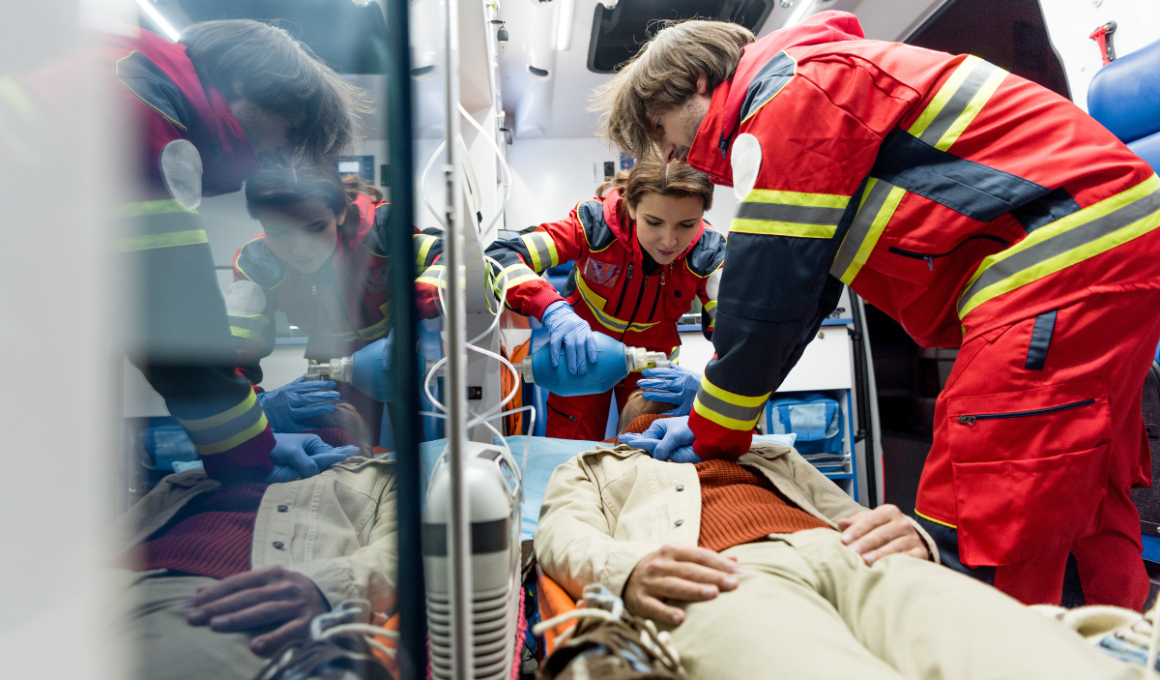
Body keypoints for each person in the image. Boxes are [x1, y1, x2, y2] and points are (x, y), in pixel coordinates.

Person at [593, 10, 1160, 608]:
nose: (667, 152)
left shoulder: (789, 95)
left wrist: (713, 429)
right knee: (1079, 480)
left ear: (698, 83)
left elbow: (766, 294)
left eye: (659, 128)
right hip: (1104, 237)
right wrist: (716, 419)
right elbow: (803, 293)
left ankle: (975, 623)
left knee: (985, 484)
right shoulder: (817, 80)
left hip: (1063, 251)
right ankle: (1110, 639)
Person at [535, 430, 1138, 680]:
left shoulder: (765, 452)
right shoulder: (594, 465)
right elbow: (559, 535)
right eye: (645, 409)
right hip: (717, 574)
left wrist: (912, 534)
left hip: (851, 555)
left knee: (1030, 657)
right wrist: (630, 570)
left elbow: (851, 512)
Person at [108, 20, 370, 483]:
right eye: (291, 131)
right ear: (244, 83)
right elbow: (175, 322)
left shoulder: (129, 71)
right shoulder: (143, 107)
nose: (279, 156)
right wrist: (252, 447)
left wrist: (256, 439)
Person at [113, 405, 396, 680]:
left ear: (366, 447)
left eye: (346, 405)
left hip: (231, 601)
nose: (329, 400)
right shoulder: (198, 475)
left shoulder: (381, 476)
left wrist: (325, 588)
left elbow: (401, 550)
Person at [485, 158, 725, 439]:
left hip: (653, 366)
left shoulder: (709, 254)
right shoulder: (594, 225)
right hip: (582, 355)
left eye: (686, 224)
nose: (669, 241)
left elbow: (737, 334)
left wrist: (710, 385)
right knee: (570, 450)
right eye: (654, 222)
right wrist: (551, 308)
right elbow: (501, 257)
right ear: (632, 206)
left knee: (648, 449)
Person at [230, 157, 443, 441]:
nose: (300, 250)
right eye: (279, 233)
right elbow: (235, 353)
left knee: (419, 445)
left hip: (402, 352)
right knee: (343, 448)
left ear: (341, 212)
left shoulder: (384, 229)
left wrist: (409, 319)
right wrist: (255, 404)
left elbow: (451, 259)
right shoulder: (257, 265)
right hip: (330, 360)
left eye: (315, 228)